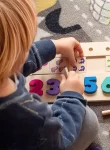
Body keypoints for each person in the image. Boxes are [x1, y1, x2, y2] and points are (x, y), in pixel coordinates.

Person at [0, 0, 100, 150]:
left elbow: (15, 60)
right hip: (38, 141)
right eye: (27, 46)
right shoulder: (31, 117)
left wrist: (54, 46)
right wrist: (70, 97)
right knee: (88, 120)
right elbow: (57, 141)